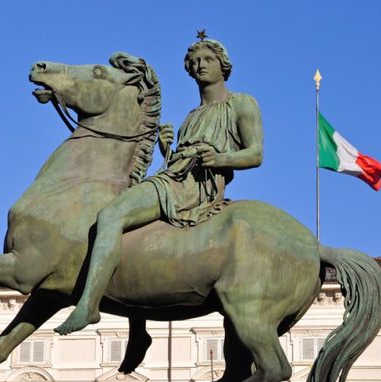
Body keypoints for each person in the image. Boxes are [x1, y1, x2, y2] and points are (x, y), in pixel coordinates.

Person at [55, 35, 264, 335]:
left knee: (112, 216)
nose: (200, 66)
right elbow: (178, 164)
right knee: (132, 237)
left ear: (223, 65)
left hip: (194, 188)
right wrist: (169, 149)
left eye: (207, 60)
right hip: (173, 179)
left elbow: (255, 154)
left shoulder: (241, 103)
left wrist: (219, 158)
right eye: (195, 63)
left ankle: (88, 305)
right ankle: (137, 334)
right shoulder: (191, 116)